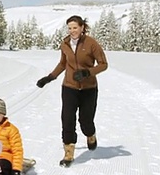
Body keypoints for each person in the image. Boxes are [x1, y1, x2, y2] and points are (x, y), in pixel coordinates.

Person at [35, 15, 108, 167]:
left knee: (85, 121)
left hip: (88, 89)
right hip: (69, 87)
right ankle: (69, 153)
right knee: (67, 119)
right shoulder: (65, 44)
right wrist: (49, 77)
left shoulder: (91, 43)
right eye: (70, 28)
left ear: (82, 28)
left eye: (75, 27)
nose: (72, 31)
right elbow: (62, 64)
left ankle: (90, 135)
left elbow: (103, 64)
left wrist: (87, 72)